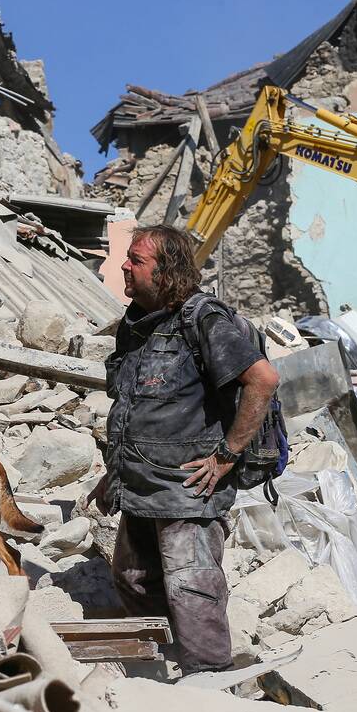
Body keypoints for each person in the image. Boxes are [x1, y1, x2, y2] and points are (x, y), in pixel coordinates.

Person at [88, 225, 280, 675]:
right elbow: (133, 405)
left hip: (187, 490)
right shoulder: (136, 324)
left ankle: (210, 684)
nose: (124, 266)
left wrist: (227, 456)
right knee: (134, 579)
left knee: (192, 590)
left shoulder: (204, 320)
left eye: (136, 260)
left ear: (166, 270)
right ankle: (161, 666)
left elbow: (263, 380)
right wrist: (113, 472)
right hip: (140, 486)